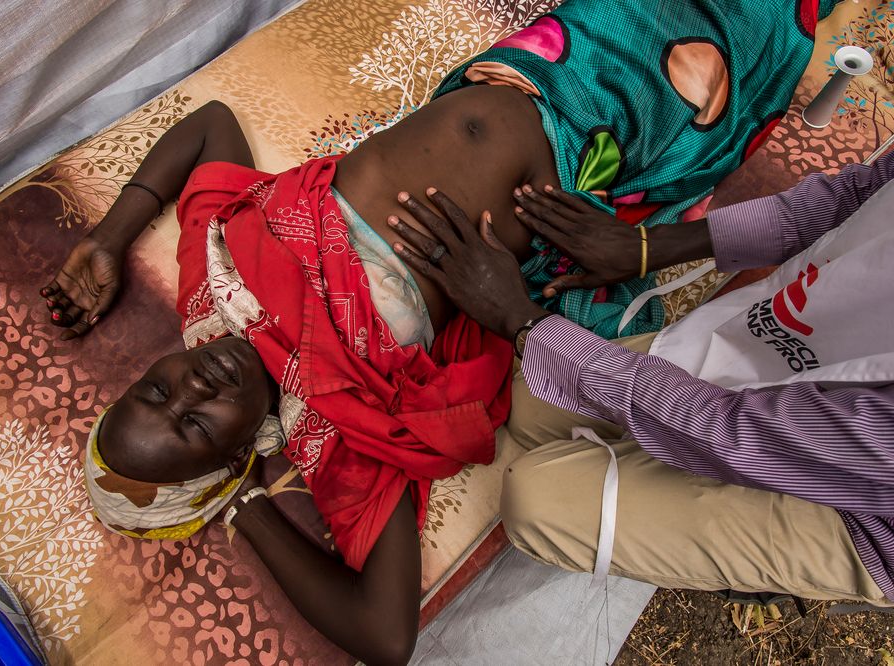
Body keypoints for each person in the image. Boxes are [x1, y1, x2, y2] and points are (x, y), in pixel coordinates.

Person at [45, 1, 838, 662]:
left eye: (155, 387)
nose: (192, 386)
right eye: (193, 426)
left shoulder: (208, 288)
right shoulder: (328, 436)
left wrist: (111, 236)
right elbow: (385, 637)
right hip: (597, 150)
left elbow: (212, 126)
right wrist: (243, 506)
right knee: (746, 33)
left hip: (540, 65)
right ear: (229, 459)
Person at [388, 0, 894, 620]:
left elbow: (745, 434)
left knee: (539, 499)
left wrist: (525, 324)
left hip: (888, 519)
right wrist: (643, 247)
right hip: (807, 360)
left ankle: (795, 572)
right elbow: (854, 196)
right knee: (535, 403)